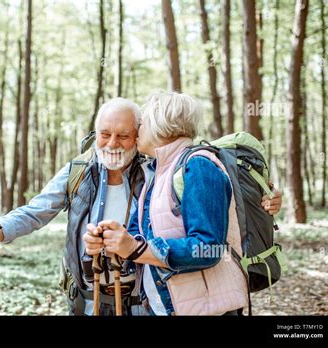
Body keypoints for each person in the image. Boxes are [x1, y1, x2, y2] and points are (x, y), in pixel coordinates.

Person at [0, 96, 282, 316]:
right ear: (94, 134)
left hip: (147, 301)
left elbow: (207, 212)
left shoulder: (159, 170)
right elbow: (35, 210)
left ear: (139, 134)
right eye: (104, 134)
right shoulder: (79, 172)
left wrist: (263, 199)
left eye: (123, 136)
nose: (112, 143)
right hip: (90, 299)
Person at [84, 91, 278, 315]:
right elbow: (139, 236)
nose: (137, 132)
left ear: (160, 125)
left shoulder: (198, 166)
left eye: (143, 124)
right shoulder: (156, 172)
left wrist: (136, 248)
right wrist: (110, 240)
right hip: (166, 307)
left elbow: (208, 248)